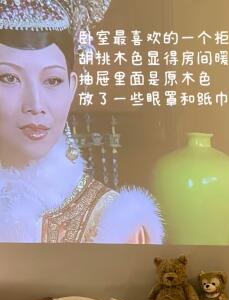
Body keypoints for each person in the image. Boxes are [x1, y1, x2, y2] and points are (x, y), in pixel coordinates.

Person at [0, 0, 164, 243]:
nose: (35, 104)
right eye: (10, 78)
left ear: (72, 88)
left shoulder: (114, 224)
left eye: (52, 81)